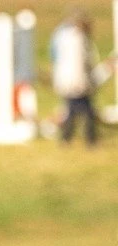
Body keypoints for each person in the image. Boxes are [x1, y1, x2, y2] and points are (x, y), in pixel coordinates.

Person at [50, 9, 103, 146]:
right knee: (86, 112)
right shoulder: (79, 40)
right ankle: (89, 141)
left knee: (73, 111)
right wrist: (84, 83)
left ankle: (67, 139)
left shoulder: (63, 36)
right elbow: (80, 64)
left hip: (67, 81)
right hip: (76, 83)